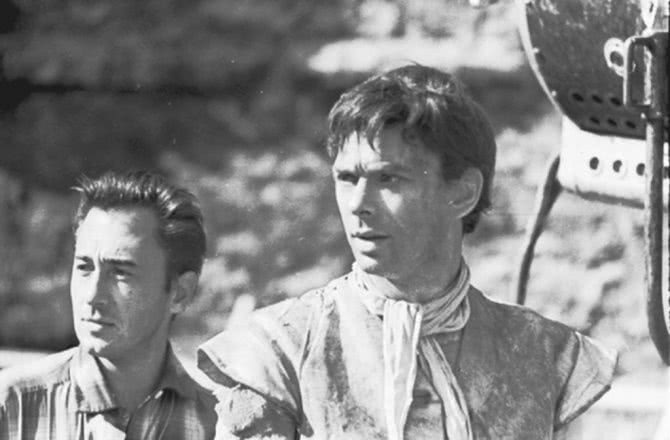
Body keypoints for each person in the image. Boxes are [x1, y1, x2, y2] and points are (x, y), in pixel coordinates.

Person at [197, 65, 617, 439]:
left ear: (463, 193)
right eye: (347, 178)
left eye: (389, 179)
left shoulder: (546, 357)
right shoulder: (278, 353)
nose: (358, 204)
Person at [0, 171, 216, 439]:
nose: (92, 295)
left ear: (181, 293)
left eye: (121, 273)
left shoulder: (219, 426)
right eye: (84, 267)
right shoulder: (12, 406)